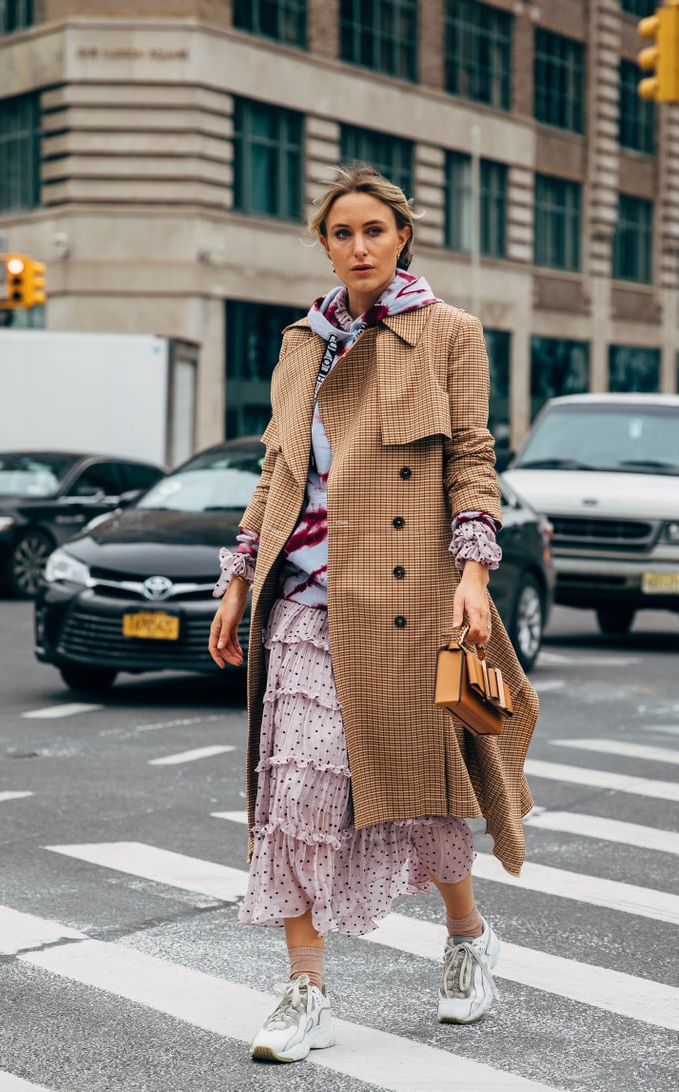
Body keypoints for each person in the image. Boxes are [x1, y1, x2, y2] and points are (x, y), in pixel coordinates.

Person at [209, 162, 538, 1063]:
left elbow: (472, 457)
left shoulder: (449, 334)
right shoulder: (299, 344)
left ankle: (468, 938)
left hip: (405, 597)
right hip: (305, 597)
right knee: (293, 793)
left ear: (402, 238)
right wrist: (239, 576)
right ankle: (305, 991)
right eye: (342, 233)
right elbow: (279, 470)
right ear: (324, 243)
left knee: (417, 801)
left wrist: (473, 573)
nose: (359, 246)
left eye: (374, 231)